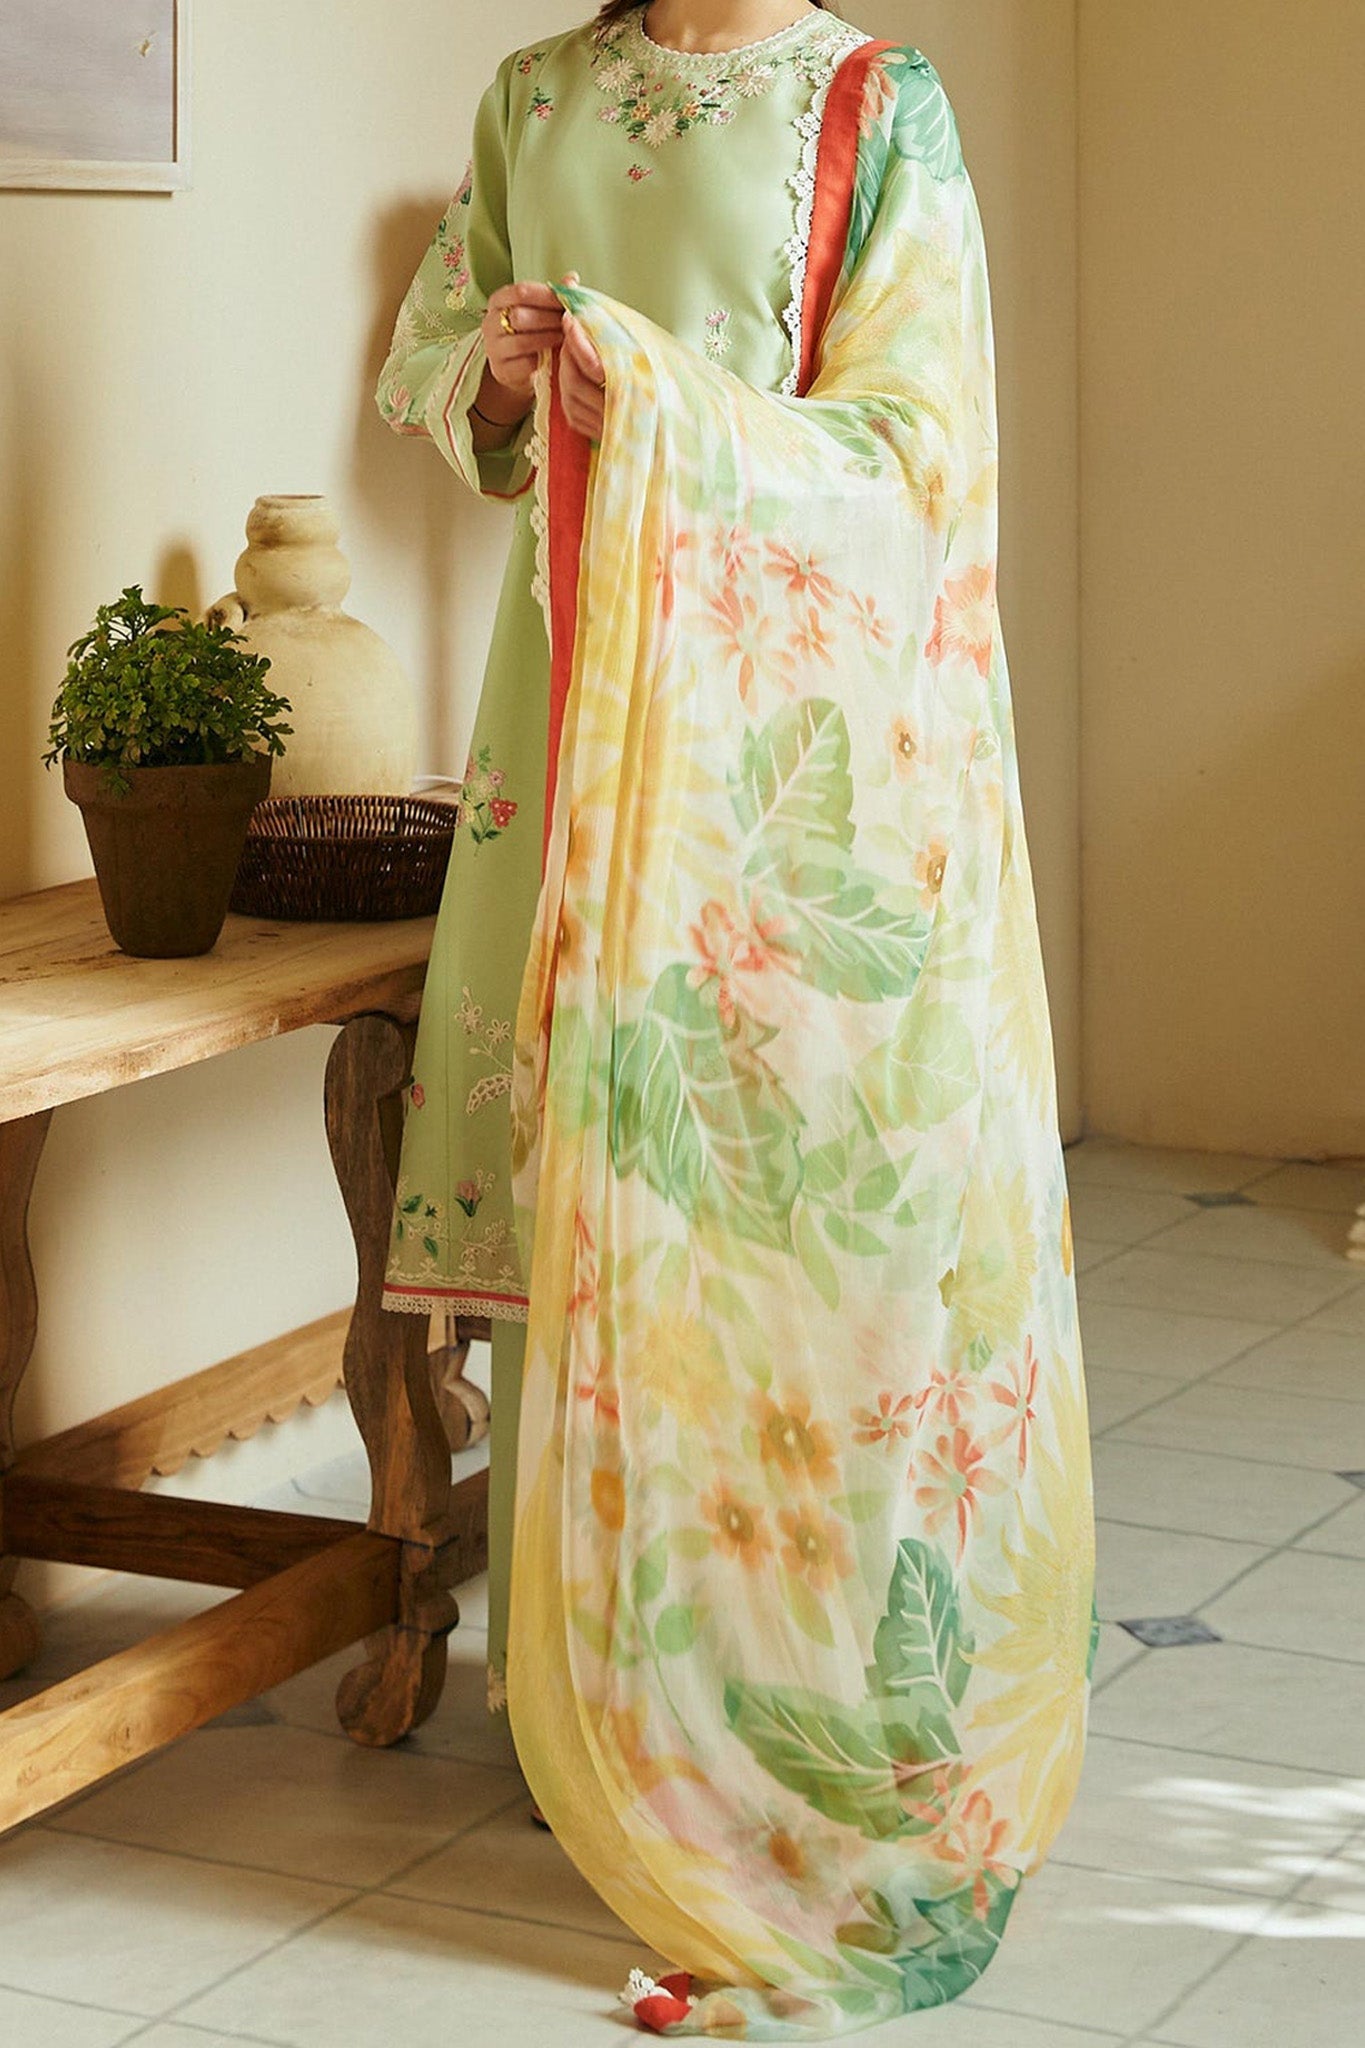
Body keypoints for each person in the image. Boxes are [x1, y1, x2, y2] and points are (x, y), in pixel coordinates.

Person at [377, 2, 1096, 2033]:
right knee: (583, 1170)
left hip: (769, 751)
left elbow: (919, 451)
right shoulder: (533, 93)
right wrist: (497, 375)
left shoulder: (874, 104)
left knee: (764, 1187)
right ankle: (593, 1701)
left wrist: (662, 392)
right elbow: (429, 357)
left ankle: (789, 1707)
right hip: (565, 697)